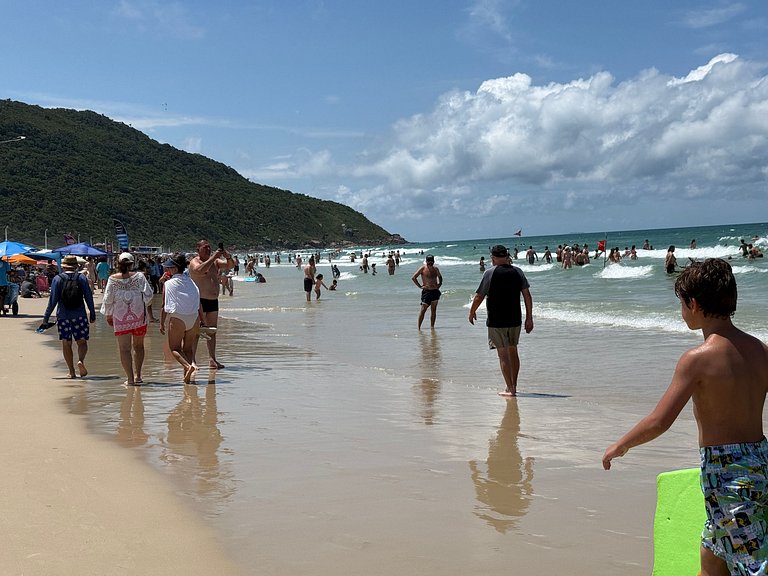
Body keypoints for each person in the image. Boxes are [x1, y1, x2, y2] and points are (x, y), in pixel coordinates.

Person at [602, 258, 768, 576]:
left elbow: (659, 421)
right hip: (759, 463)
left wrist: (621, 445)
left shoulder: (697, 360)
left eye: (682, 304)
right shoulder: (761, 350)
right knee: (712, 555)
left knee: (752, 565)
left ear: (693, 304)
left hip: (726, 476)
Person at [468, 245, 534, 397]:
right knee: (513, 352)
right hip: (515, 319)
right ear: (506, 256)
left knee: (502, 355)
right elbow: (527, 295)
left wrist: (472, 312)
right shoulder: (517, 271)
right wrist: (529, 318)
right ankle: (514, 386)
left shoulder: (490, 273)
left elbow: (479, 296)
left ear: (494, 257)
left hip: (497, 320)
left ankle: (509, 389)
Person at [100, 252, 154, 386]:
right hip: (139, 317)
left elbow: (108, 299)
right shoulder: (140, 276)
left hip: (120, 318)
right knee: (139, 346)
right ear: (132, 263)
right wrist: (143, 307)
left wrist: (108, 314)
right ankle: (138, 375)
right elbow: (149, 295)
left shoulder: (112, 279)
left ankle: (130, 379)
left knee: (124, 349)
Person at [41, 254, 96, 379]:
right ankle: (81, 361)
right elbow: (88, 297)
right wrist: (92, 313)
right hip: (80, 315)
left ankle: (71, 372)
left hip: (63, 316)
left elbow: (52, 301)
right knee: (82, 342)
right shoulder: (81, 278)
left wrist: (46, 318)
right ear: (76, 266)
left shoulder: (57, 279)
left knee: (66, 343)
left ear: (64, 266)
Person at [189, 239, 233, 369]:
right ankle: (192, 360)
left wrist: (227, 255)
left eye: (209, 247)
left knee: (212, 331)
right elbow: (199, 270)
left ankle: (212, 359)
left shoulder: (215, 262)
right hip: (199, 301)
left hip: (213, 301)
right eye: (205, 248)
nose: (208, 249)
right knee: (196, 331)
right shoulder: (194, 262)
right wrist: (214, 256)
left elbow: (230, 265)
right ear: (198, 250)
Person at [160, 254, 202, 384]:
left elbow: (164, 306)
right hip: (194, 318)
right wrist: (203, 321)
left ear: (173, 269)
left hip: (178, 318)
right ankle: (188, 380)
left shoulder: (168, 284)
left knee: (175, 348)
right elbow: (199, 304)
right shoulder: (192, 282)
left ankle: (189, 366)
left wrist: (161, 323)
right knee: (188, 349)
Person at [411, 254, 443, 330]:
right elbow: (414, 277)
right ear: (426, 261)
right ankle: (419, 328)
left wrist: (439, 284)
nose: (430, 262)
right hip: (426, 292)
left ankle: (432, 327)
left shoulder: (436, 269)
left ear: (433, 261)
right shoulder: (423, 268)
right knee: (423, 310)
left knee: (433, 310)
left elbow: (440, 277)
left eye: (431, 260)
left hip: (435, 291)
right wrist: (420, 286)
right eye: (428, 261)